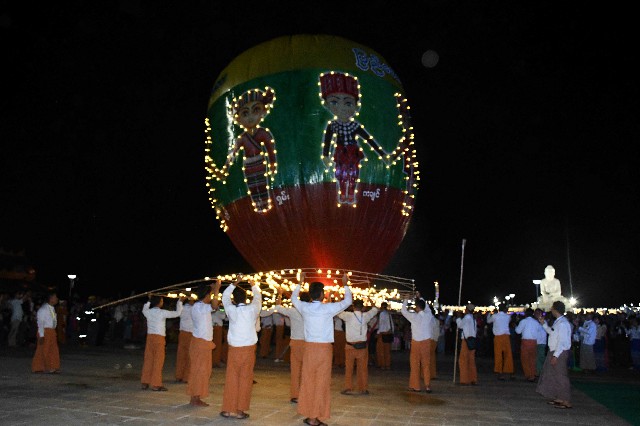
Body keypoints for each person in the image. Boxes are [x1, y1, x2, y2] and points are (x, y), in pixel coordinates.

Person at [319, 72, 388, 205]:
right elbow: (327, 141)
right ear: (327, 105)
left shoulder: (355, 126)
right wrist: (325, 155)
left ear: (356, 107)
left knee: (353, 174)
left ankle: (350, 193)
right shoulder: (332, 125)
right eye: (334, 102)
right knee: (340, 174)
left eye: (348, 103)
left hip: (352, 151)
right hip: (339, 152)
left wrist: (382, 154)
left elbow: (369, 139)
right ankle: (343, 193)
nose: (342, 108)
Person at [293, 272, 352, 426]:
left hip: (309, 349)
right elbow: (348, 301)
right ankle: (314, 417)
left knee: (308, 382)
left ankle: (310, 414)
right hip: (324, 350)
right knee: (321, 383)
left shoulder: (304, 307)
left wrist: (300, 282)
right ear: (321, 294)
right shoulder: (327, 308)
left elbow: (293, 299)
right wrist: (345, 284)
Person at [224, 88, 278, 213]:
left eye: (255, 110)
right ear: (238, 119)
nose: (250, 117)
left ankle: (264, 205)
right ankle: (258, 206)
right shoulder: (242, 138)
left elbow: (270, 149)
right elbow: (233, 153)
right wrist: (226, 167)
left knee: (262, 185)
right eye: (245, 113)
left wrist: (272, 163)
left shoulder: (262, 133)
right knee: (253, 187)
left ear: (264, 111)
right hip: (248, 165)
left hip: (259, 163)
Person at [219, 275, 262, 419]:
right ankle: (239, 411)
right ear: (246, 299)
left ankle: (227, 409)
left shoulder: (231, 310)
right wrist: (253, 285)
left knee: (232, 378)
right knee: (245, 379)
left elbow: (224, 296)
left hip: (234, 349)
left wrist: (234, 283)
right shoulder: (252, 310)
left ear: (234, 299)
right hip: (248, 349)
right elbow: (258, 298)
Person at [187, 280, 221, 407]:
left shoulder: (200, 307)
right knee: (200, 371)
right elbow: (215, 305)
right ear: (206, 296)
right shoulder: (199, 307)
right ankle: (195, 397)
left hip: (202, 343)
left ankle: (196, 396)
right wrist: (216, 289)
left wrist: (212, 290)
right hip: (200, 344)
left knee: (203, 371)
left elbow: (212, 304)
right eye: (209, 295)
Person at [140, 294, 183, 391]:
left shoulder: (148, 312)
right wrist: (180, 301)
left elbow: (144, 309)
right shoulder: (162, 312)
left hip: (150, 338)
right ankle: (156, 384)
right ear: (159, 302)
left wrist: (149, 300)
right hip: (159, 338)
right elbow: (177, 313)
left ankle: (145, 382)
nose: (162, 302)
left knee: (148, 360)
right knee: (158, 361)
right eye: (162, 301)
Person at [273, 286, 308, 403]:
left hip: (296, 342)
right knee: (307, 370)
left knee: (295, 370)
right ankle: (306, 394)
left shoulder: (293, 311)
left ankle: (295, 395)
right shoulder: (312, 310)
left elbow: (278, 307)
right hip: (309, 343)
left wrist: (279, 294)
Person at [536, 300, 573, 409]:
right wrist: (544, 324)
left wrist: (556, 355)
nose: (551, 310)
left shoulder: (562, 323)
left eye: (552, 308)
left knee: (561, 376)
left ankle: (566, 400)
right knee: (553, 375)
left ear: (556, 310)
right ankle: (559, 397)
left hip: (559, 352)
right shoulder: (558, 322)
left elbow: (562, 341)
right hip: (554, 350)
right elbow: (552, 333)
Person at [338, 299, 378, 395]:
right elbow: (375, 309)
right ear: (362, 307)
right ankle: (363, 388)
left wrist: (339, 300)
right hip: (362, 346)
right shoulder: (365, 316)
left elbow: (338, 311)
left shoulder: (348, 315)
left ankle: (348, 387)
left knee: (349, 368)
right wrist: (371, 302)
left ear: (353, 307)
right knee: (363, 368)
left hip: (350, 346)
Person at [400, 292, 435, 393]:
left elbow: (403, 311)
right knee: (426, 364)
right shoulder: (428, 315)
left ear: (417, 307)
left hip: (416, 342)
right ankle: (427, 385)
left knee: (415, 364)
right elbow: (427, 307)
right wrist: (421, 297)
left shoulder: (414, 317)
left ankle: (416, 386)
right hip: (426, 342)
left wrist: (406, 299)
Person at [32, 292, 61, 373]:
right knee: (43, 349)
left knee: (53, 350)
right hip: (45, 331)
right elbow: (40, 323)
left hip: (52, 331)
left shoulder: (52, 308)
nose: (57, 299)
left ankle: (52, 366)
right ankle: (38, 367)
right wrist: (41, 335)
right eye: (55, 297)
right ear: (51, 298)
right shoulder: (43, 309)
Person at [487, 303, 515, 380]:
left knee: (498, 354)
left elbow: (488, 321)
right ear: (505, 309)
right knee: (508, 355)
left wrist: (490, 313)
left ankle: (499, 372)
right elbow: (509, 321)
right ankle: (508, 371)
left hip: (498, 337)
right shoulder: (508, 317)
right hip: (506, 337)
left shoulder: (495, 316)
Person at [515, 308, 541, 382]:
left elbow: (518, 331)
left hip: (525, 342)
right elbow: (539, 331)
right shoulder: (536, 322)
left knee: (525, 359)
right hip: (533, 342)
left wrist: (516, 326)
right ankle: (532, 375)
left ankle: (528, 374)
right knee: (532, 359)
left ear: (525, 314)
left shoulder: (523, 321)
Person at [456, 303, 478, 385]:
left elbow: (460, 325)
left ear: (468, 310)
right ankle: (473, 378)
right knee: (471, 361)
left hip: (466, 341)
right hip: (472, 341)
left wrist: (458, 317)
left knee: (463, 360)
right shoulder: (474, 320)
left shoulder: (467, 318)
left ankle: (464, 379)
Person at [175, 296, 195, 383]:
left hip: (182, 333)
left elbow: (177, 310)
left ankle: (179, 375)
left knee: (181, 355)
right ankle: (186, 377)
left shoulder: (181, 308)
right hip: (191, 334)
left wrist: (179, 301)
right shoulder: (194, 309)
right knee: (189, 356)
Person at [375, 302, 394, 370]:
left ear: (382, 306)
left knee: (381, 351)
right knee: (387, 351)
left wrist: (378, 333)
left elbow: (381, 325)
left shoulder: (382, 314)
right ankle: (387, 365)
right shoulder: (389, 314)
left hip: (382, 334)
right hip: (388, 334)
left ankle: (382, 364)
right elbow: (391, 325)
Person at [211, 303, 227, 368]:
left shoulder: (220, 309)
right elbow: (223, 316)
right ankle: (214, 361)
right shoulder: (211, 308)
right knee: (215, 345)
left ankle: (215, 361)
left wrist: (222, 308)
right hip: (214, 327)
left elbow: (224, 317)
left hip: (215, 327)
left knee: (216, 345)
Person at [534, 308, 548, 377]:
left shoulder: (544, 322)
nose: (537, 315)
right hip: (535, 342)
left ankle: (543, 371)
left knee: (541, 357)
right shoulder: (534, 322)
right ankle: (538, 371)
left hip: (541, 342)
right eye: (536, 313)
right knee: (537, 358)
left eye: (538, 313)